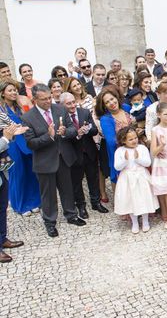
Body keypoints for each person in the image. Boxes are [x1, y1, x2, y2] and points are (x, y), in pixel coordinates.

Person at [22, 84, 86, 237]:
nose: (48, 101)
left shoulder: (60, 109)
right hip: (45, 162)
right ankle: (50, 222)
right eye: (43, 99)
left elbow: (72, 129)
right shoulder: (27, 118)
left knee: (67, 189)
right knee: (48, 194)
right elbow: (31, 143)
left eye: (49, 97)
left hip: (63, 157)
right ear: (35, 99)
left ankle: (71, 215)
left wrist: (65, 132)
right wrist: (48, 136)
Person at [59, 92, 108, 218]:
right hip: (73, 153)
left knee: (93, 178)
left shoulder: (84, 112)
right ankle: (81, 206)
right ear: (62, 105)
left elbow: (94, 131)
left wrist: (87, 129)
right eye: (68, 103)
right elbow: (63, 136)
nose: (72, 105)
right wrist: (76, 133)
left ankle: (96, 202)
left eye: (73, 102)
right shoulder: (60, 117)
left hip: (88, 151)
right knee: (76, 182)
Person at [0, 80, 40, 216]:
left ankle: (34, 201)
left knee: (31, 171)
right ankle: (20, 204)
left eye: (15, 90)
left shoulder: (19, 107)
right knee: (17, 174)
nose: (13, 92)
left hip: (25, 142)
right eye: (10, 90)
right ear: (3, 94)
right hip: (9, 145)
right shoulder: (1, 110)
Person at [113, 126, 158, 234]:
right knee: (130, 199)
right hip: (127, 177)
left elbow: (147, 163)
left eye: (135, 138)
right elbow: (117, 167)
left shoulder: (142, 148)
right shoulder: (120, 151)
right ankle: (134, 222)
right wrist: (125, 159)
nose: (134, 141)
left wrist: (138, 158)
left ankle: (145, 220)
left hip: (141, 176)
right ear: (124, 140)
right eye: (130, 139)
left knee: (144, 197)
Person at [0, 123, 27, 263]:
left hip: (1, 172)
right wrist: (5, 139)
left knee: (2, 208)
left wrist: (11, 135)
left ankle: (2, 239)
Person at [95, 86, 133, 185]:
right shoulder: (105, 119)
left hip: (135, 151)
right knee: (122, 183)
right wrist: (131, 137)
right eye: (107, 102)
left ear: (116, 97)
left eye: (112, 99)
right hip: (119, 154)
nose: (111, 103)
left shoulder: (127, 108)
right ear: (104, 106)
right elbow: (111, 141)